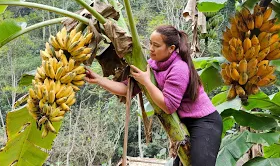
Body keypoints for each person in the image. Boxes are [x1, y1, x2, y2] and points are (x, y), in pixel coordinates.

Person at [84, 25, 223, 166]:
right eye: (150, 43)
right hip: (183, 123)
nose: (151, 48)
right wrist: (98, 79)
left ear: (171, 49)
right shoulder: (151, 65)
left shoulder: (179, 68)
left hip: (204, 122)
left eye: (156, 45)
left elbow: (169, 106)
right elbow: (127, 88)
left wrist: (146, 82)